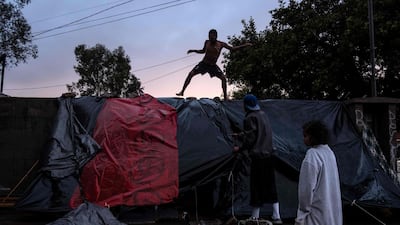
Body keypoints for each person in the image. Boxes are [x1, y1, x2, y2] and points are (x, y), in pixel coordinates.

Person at [233, 94, 283, 224]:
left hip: (258, 157)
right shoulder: (263, 114)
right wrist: (240, 134)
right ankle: (277, 216)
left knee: (256, 186)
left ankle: (255, 217)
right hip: (269, 155)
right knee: (270, 185)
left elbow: (251, 138)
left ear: (245, 105)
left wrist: (240, 148)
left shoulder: (250, 117)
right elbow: (258, 132)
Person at [176, 29, 251, 100]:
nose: (210, 39)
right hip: (204, 64)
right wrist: (194, 50)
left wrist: (245, 45)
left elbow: (233, 49)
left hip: (213, 66)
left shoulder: (221, 44)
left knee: (223, 78)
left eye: (212, 37)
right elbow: (203, 51)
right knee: (191, 74)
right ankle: (182, 91)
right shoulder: (207, 42)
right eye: (209, 37)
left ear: (216, 37)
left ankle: (225, 97)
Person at [295, 120, 342, 225]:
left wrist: (304, 211)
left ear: (314, 136)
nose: (304, 139)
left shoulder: (312, 155)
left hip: (315, 214)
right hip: (332, 213)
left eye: (306, 136)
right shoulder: (329, 153)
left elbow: (306, 189)